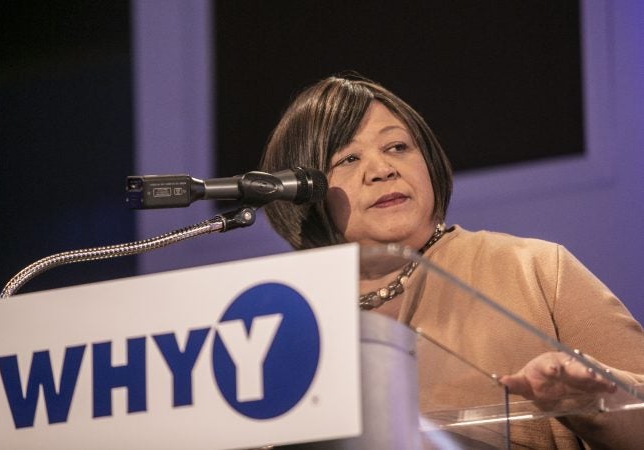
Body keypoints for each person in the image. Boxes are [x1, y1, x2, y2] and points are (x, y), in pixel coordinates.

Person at [259, 75, 644, 449]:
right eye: (349, 158)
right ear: (304, 195)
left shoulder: (535, 268)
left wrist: (598, 404)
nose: (382, 169)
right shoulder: (279, 323)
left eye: (397, 147)